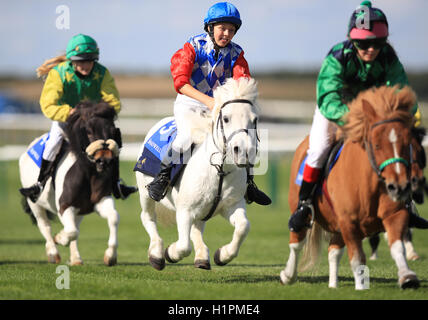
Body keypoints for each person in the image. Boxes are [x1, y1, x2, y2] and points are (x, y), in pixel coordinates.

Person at [288, 1, 428, 232]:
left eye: (377, 43)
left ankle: (407, 204)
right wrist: (353, 120)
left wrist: (405, 117)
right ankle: (305, 205)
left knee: (405, 145)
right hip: (335, 112)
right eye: (363, 44)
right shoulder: (337, 56)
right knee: (319, 147)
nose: (370, 49)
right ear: (352, 40)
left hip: (375, 118)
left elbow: (401, 93)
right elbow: (328, 98)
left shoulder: (389, 58)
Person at [147, 2, 271, 205]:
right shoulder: (192, 46)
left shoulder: (237, 54)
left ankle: (249, 184)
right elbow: (180, 83)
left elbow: (243, 81)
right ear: (210, 28)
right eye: (223, 28)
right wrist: (209, 101)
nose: (227, 34)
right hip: (189, 104)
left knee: (245, 138)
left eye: (231, 30)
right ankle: (163, 177)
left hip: (218, 108)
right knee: (185, 138)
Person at [19, 34, 137, 202]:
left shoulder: (102, 73)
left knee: (112, 141)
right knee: (53, 142)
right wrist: (71, 113)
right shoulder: (58, 74)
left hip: (92, 122)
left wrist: (95, 113)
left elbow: (114, 102)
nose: (86, 65)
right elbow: (48, 105)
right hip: (66, 120)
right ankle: (39, 183)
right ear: (72, 61)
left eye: (89, 60)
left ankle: (116, 184)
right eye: (81, 61)